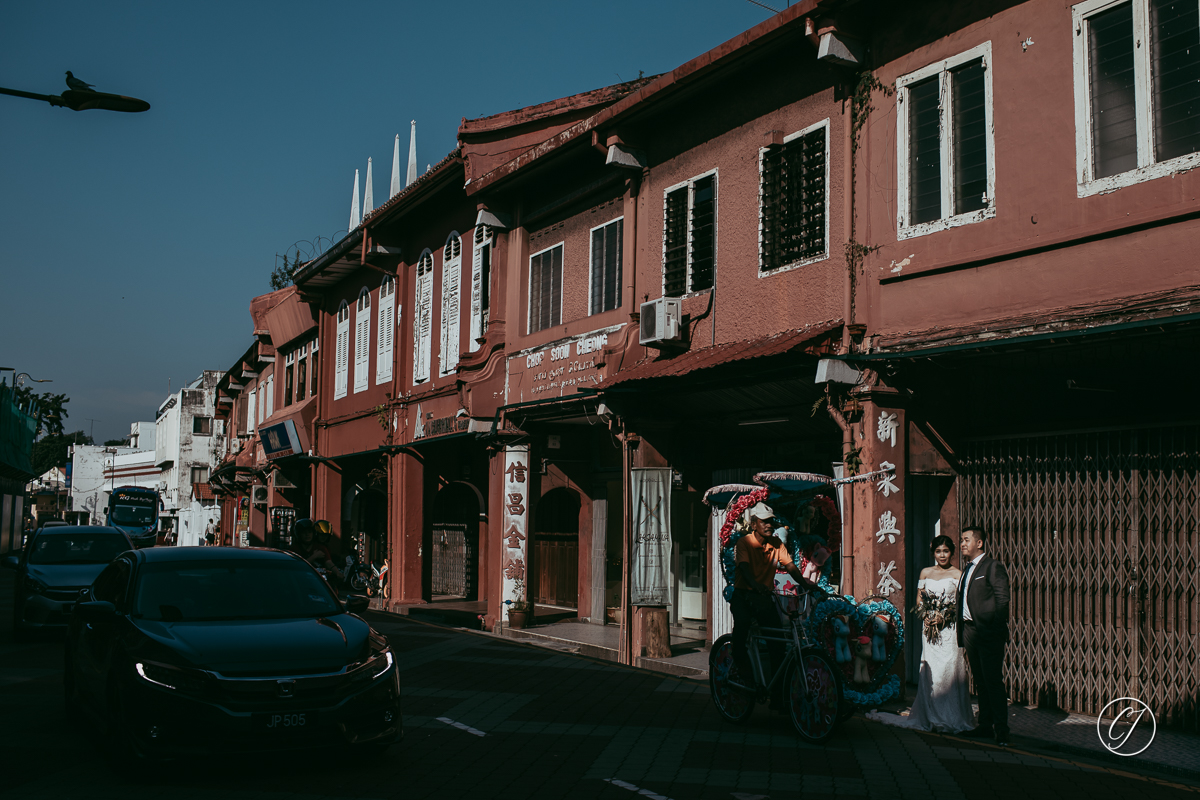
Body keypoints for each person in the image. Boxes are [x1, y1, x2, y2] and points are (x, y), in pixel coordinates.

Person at [866, 535, 974, 733]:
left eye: (946, 551)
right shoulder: (925, 573)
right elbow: (919, 601)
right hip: (929, 630)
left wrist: (945, 616)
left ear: (952, 552)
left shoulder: (959, 574)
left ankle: (953, 716)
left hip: (949, 631)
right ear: (933, 552)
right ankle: (929, 714)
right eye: (938, 551)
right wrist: (926, 614)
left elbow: (961, 605)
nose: (942, 555)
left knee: (949, 670)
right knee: (931, 670)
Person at [730, 502, 812, 697]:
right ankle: (740, 664)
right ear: (754, 523)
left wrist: (806, 584)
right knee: (741, 626)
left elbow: (791, 567)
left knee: (779, 644)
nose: (769, 525)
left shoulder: (777, 544)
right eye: (765, 522)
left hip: (764, 598)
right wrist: (756, 585)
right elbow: (744, 568)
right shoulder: (744, 543)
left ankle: (777, 693)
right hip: (744, 595)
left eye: (771, 522)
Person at [957, 525, 1011, 746]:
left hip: (987, 631)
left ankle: (1002, 729)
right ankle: (985, 725)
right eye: (961, 540)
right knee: (979, 680)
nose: (962, 544)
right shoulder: (967, 569)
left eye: (966, 540)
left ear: (979, 543)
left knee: (992, 681)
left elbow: (1002, 599)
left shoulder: (992, 567)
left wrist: (993, 627)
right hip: (969, 630)